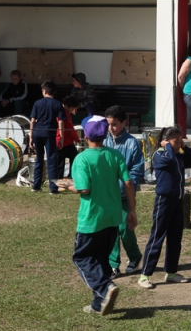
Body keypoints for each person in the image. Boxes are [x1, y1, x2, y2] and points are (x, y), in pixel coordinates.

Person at [55, 116, 137, 316]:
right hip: (112, 217)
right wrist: (132, 210)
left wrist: (66, 185)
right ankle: (98, 303)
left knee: (82, 258)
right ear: (105, 133)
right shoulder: (114, 154)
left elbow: (84, 189)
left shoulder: (82, 158)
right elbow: (128, 183)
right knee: (101, 260)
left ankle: (105, 287)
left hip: (91, 219)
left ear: (85, 136)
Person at [138, 126, 191, 289]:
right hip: (164, 201)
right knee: (157, 236)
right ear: (164, 142)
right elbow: (169, 159)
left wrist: (185, 148)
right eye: (175, 142)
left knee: (175, 238)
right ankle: (145, 274)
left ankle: (171, 272)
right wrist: (167, 147)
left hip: (177, 201)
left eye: (181, 142)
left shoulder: (178, 155)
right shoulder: (159, 155)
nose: (179, 145)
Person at [104, 105, 145, 279]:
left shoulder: (132, 143)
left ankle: (135, 257)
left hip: (123, 195)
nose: (110, 128)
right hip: (106, 196)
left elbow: (136, 171)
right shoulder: (103, 141)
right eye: (108, 124)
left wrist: (122, 184)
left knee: (126, 229)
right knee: (111, 230)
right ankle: (113, 264)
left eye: (114, 124)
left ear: (123, 123)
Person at [29, 80, 66, 194]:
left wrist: (31, 137)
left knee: (39, 159)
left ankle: (36, 186)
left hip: (37, 132)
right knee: (51, 159)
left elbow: (32, 121)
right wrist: (62, 138)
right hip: (49, 132)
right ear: (53, 92)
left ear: (44, 91)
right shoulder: (57, 104)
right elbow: (60, 122)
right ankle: (53, 188)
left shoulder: (37, 103)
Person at [57, 96, 81, 176]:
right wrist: (77, 139)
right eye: (74, 108)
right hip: (62, 141)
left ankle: (70, 176)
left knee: (74, 157)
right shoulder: (64, 114)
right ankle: (59, 181)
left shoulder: (64, 113)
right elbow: (70, 128)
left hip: (67, 142)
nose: (74, 110)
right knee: (60, 163)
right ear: (70, 107)